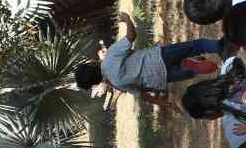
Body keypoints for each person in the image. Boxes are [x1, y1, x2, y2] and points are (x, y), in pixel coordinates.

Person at [74, 12, 220, 110]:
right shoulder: (110, 57)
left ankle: (211, 67)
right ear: (91, 64)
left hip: (162, 77)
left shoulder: (116, 83)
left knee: (193, 71)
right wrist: (127, 20)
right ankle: (222, 48)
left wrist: (166, 104)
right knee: (196, 46)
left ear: (96, 82)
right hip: (159, 57)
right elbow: (131, 37)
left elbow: (142, 94)